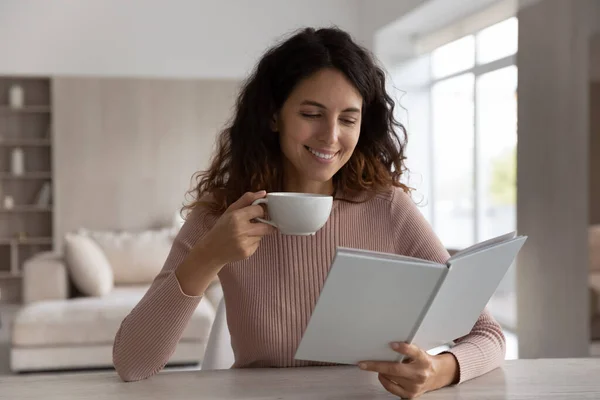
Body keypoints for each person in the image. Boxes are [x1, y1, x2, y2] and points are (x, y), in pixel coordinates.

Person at [113, 27, 506, 398]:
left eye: (348, 119)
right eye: (311, 114)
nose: (330, 136)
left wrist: (440, 370)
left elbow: (489, 334)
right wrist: (209, 255)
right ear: (273, 116)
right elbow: (132, 363)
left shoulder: (387, 208)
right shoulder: (222, 213)